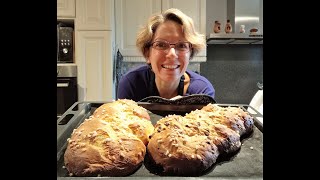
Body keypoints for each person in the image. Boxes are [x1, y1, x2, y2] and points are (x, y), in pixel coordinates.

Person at [117, 8, 215, 102]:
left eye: (181, 45)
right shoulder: (132, 84)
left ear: (190, 53)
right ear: (147, 53)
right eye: (161, 45)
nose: (172, 54)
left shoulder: (201, 92)